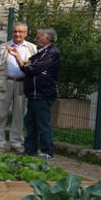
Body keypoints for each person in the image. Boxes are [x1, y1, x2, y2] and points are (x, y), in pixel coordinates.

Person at [0, 23, 36, 153]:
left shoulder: (32, 48)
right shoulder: (3, 47)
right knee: (0, 113)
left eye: (20, 32)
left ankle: (16, 142)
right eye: (15, 31)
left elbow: (34, 69)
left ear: (26, 33)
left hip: (22, 84)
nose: (17, 34)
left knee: (19, 114)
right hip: (5, 82)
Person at [22, 28, 61, 159]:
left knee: (43, 123)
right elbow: (28, 64)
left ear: (47, 39)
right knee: (31, 122)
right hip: (34, 93)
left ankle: (47, 151)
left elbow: (33, 68)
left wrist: (29, 66)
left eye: (38, 37)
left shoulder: (51, 53)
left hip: (43, 93)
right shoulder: (40, 53)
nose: (36, 40)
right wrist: (28, 65)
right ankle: (30, 149)